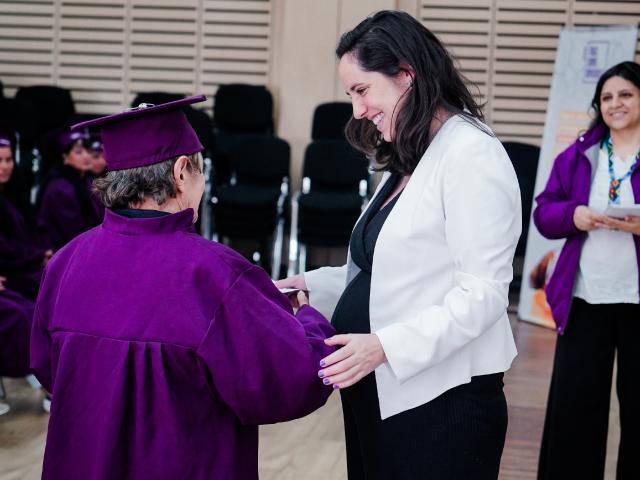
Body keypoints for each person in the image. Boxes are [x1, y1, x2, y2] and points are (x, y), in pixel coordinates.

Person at [30, 95, 336, 480]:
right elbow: (288, 379)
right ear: (180, 173)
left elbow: (48, 369)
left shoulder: (66, 262)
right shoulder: (215, 273)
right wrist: (311, 317)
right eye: (200, 170)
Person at [277, 10, 521, 479]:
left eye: (361, 90)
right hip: (381, 389)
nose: (357, 110)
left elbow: (483, 296)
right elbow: (385, 272)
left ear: (406, 74)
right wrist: (309, 285)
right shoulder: (412, 155)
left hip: (442, 401)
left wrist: (385, 346)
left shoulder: (472, 155)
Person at [534, 61, 640, 479]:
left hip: (637, 301)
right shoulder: (580, 153)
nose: (615, 103)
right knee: (575, 409)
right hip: (585, 298)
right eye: (607, 97)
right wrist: (573, 215)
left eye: (626, 94)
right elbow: (545, 212)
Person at [0, 133, 51, 299]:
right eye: (0, 161)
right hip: (11, 272)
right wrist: (38, 256)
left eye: (8, 160)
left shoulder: (12, 193)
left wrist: (42, 252)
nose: (6, 166)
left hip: (26, 264)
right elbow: (4, 248)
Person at [36, 129, 102, 251]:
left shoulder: (86, 180)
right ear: (65, 157)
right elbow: (73, 232)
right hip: (65, 251)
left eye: (88, 150)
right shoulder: (60, 188)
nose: (86, 156)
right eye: (78, 152)